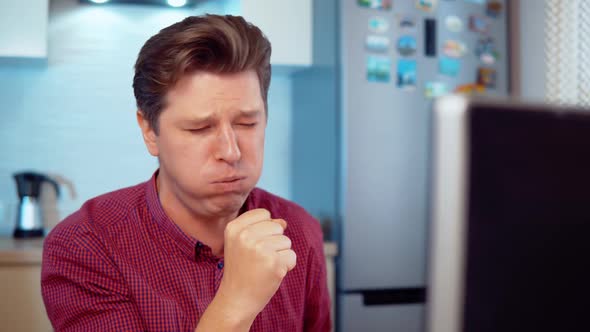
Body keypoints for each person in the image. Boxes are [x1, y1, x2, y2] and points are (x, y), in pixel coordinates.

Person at [41, 14, 331, 332]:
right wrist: (237, 303)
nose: (231, 151)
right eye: (200, 128)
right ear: (150, 130)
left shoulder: (299, 231)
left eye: (248, 123)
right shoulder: (86, 245)